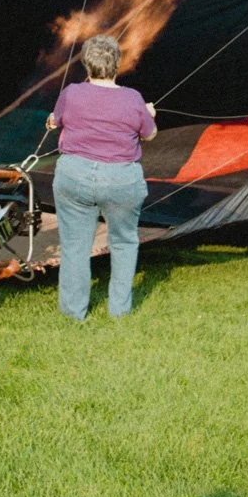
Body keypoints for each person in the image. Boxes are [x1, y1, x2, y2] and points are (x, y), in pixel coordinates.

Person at [46, 34, 157, 321]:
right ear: (117, 64)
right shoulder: (133, 99)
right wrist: (148, 114)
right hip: (121, 178)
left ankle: (74, 314)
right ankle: (119, 311)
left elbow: (54, 121)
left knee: (74, 247)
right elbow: (150, 133)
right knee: (123, 242)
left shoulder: (71, 93)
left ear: (87, 65)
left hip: (74, 175)